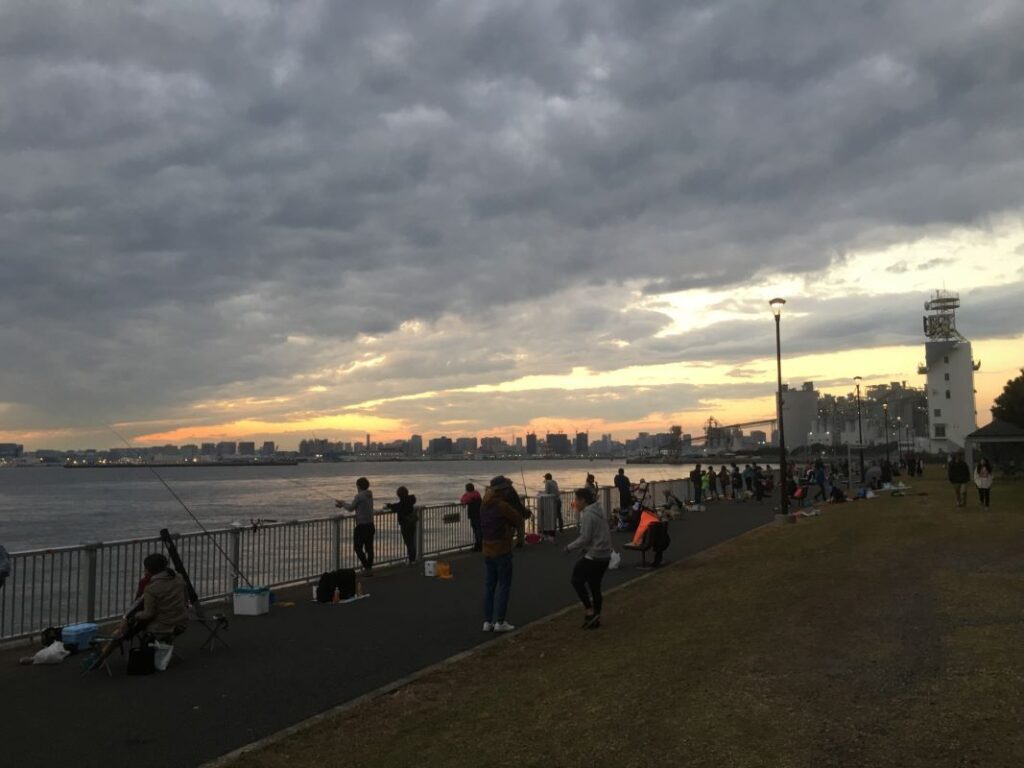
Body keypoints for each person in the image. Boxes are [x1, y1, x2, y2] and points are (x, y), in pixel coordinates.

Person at [480, 476, 526, 632]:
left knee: (489, 586)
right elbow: (518, 519)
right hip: (502, 550)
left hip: (487, 549)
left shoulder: (484, 504)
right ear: (503, 490)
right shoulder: (502, 506)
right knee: (504, 586)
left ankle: (487, 622)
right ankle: (500, 622)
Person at [564, 487, 613, 630]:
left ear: (583, 501)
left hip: (596, 555)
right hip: (605, 555)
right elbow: (597, 534)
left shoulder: (588, 515)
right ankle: (594, 618)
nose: (575, 503)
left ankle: (589, 610)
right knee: (594, 585)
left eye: (576, 500)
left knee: (576, 579)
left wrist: (569, 547)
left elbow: (585, 537)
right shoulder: (599, 511)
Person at [120, 553, 189, 638]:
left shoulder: (151, 588)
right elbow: (186, 599)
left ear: (148, 570)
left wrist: (135, 615)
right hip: (181, 623)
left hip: (163, 627)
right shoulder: (179, 578)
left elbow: (148, 613)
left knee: (140, 628)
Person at [336, 477, 376, 575]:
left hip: (361, 526)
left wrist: (342, 503)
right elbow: (358, 506)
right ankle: (369, 568)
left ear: (358, 485)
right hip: (370, 524)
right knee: (369, 548)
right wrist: (344, 504)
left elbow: (350, 508)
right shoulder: (369, 495)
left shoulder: (359, 496)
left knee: (358, 548)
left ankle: (367, 567)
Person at [385, 486, 418, 563]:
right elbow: (398, 505)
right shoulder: (410, 500)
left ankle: (412, 560)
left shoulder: (402, 503)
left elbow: (397, 507)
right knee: (412, 542)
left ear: (399, 495)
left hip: (405, 524)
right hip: (412, 523)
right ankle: (413, 559)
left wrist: (389, 505)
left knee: (409, 543)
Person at [461, 482, 483, 551]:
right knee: (479, 529)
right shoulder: (477, 493)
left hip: (474, 515)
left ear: (467, 489)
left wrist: (463, 503)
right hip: (480, 513)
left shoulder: (468, 495)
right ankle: (481, 544)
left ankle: (479, 545)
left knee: (476, 530)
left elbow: (463, 500)